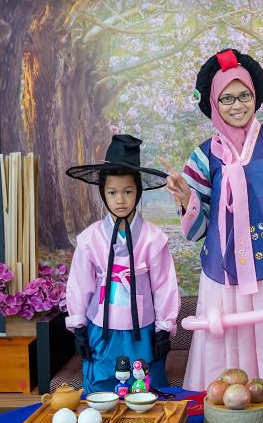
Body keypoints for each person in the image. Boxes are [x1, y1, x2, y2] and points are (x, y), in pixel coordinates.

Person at [166, 47, 263, 423]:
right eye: (227, 98)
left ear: (256, 96)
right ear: (214, 104)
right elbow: (198, 230)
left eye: (244, 95)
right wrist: (188, 200)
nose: (238, 105)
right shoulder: (202, 158)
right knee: (226, 351)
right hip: (225, 275)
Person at [65, 134, 180, 394]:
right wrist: (79, 325)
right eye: (112, 192)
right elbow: (79, 284)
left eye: (128, 191)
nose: (120, 200)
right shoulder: (90, 238)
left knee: (145, 389)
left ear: (138, 192)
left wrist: (164, 327)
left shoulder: (154, 238)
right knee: (102, 389)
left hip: (143, 330)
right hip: (101, 329)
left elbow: (164, 285)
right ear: (102, 194)